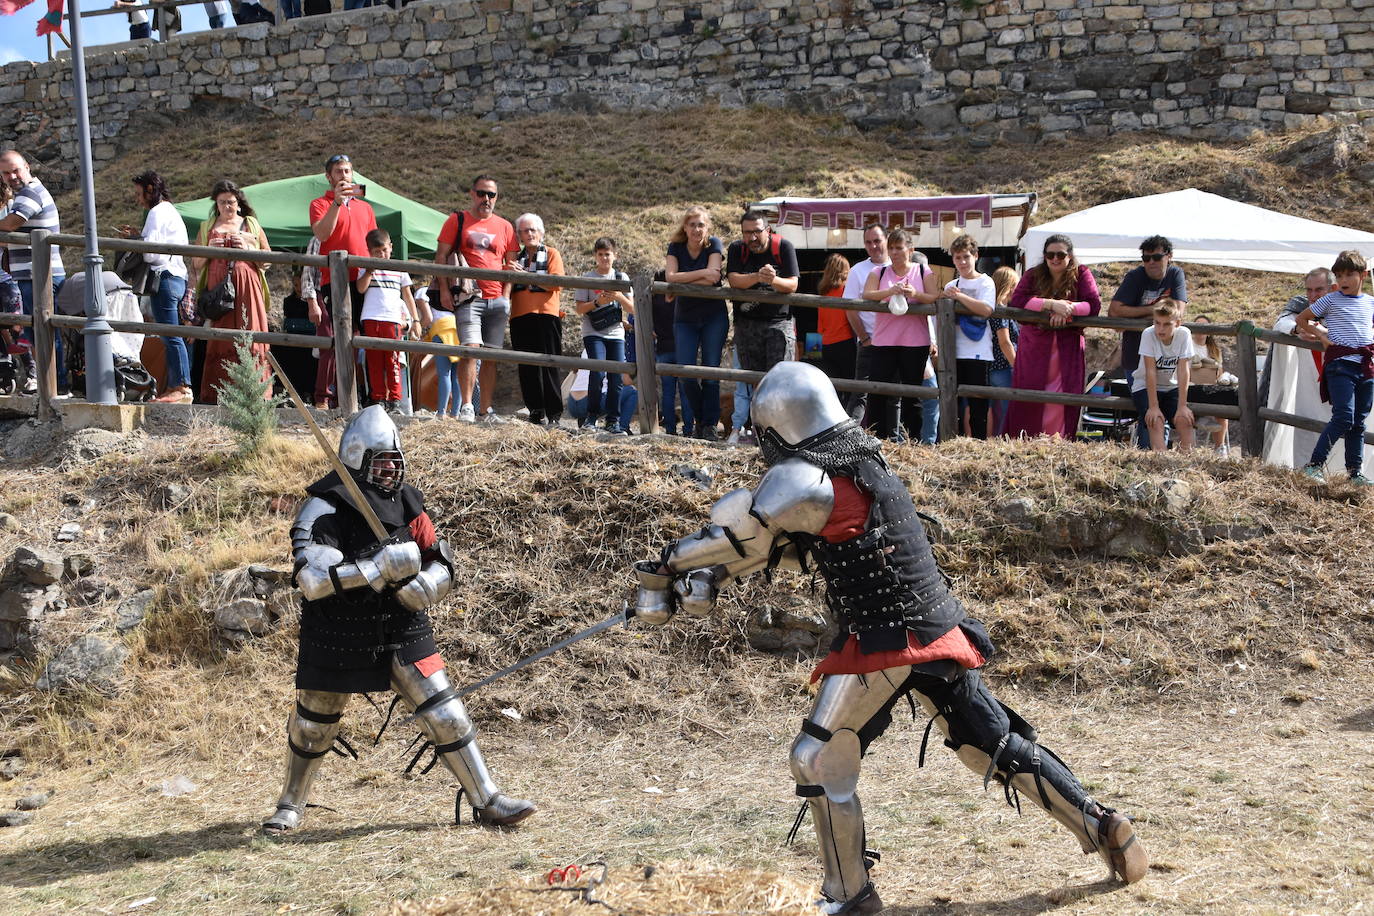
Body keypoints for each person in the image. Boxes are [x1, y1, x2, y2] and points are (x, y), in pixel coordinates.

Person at [632, 362, 1149, 915]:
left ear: (774, 426)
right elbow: (775, 549)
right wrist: (708, 577)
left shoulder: (800, 480)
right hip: (931, 625)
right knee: (989, 744)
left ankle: (848, 895)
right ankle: (1098, 823)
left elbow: (742, 536)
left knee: (817, 757)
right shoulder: (859, 461)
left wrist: (661, 569)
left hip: (886, 638)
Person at [263, 405, 536, 832]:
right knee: (313, 724)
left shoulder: (408, 502)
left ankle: (488, 800)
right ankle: (290, 804)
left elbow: (440, 558)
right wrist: (376, 568)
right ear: (357, 458)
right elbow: (312, 580)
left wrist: (426, 582)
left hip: (403, 626)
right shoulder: (323, 506)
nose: (391, 469)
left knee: (447, 715)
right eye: (382, 460)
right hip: (339, 629)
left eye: (395, 459)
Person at [433, 176, 517, 423]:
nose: (486, 199)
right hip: (469, 296)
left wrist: (506, 295)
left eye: (491, 194)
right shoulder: (457, 220)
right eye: (482, 193)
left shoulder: (505, 226)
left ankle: (485, 409)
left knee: (491, 356)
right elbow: (441, 256)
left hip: (497, 297)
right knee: (470, 350)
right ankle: (467, 405)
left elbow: (511, 264)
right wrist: (446, 290)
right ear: (472, 194)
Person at [1005, 234, 1101, 439]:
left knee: (1062, 398)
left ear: (1070, 256)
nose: (1055, 259)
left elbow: (1093, 305)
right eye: (1050, 255)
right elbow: (1018, 301)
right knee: (1030, 396)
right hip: (1035, 349)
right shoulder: (1033, 274)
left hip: (1068, 349)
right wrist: (1050, 304)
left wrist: (1067, 310)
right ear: (1044, 256)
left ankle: (1058, 441)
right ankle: (1025, 441)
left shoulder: (1081, 274)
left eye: (1060, 254)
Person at [191, 179, 273, 405]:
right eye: (222, 202)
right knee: (222, 335)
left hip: (248, 284)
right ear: (215, 204)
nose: (227, 206)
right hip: (218, 288)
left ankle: (256, 393)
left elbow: (268, 261)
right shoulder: (206, 227)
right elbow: (196, 264)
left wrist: (247, 247)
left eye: (231, 202)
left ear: (239, 203)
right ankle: (220, 392)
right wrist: (210, 250)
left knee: (251, 330)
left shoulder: (251, 224)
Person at [1297, 250, 1374, 485]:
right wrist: (1321, 334)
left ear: (1363, 275)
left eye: (1349, 275)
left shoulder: (1370, 302)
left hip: (1366, 366)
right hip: (1341, 365)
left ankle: (1355, 473)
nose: (1343, 281)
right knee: (1343, 416)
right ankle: (1314, 465)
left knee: (1359, 422)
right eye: (1339, 276)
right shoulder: (1331, 299)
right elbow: (1303, 319)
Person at [119, 170, 190, 404]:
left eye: (139, 193)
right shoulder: (169, 211)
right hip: (176, 277)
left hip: (165, 277)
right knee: (172, 334)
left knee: (171, 335)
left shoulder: (156, 213)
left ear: (150, 190)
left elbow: (150, 254)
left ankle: (181, 387)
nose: (137, 199)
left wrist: (137, 242)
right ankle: (177, 386)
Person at [861, 228, 938, 443]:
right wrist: (890, 292)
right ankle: (877, 439)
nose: (894, 252)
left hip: (915, 341)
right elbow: (867, 294)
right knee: (878, 391)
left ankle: (911, 440)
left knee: (912, 395)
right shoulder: (879, 272)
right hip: (884, 340)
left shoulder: (923, 271)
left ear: (910, 250)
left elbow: (934, 296)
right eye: (891, 248)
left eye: (899, 248)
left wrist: (915, 294)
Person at [0, 150, 67, 396]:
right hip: (32, 273)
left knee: (45, 331)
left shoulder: (29, 192)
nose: (12, 176)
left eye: (15, 170)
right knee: (38, 331)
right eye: (6, 173)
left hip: (39, 275)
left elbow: (10, 225)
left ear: (27, 167)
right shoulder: (24, 194)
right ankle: (48, 385)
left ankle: (56, 387)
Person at [665, 206, 727, 440]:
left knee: (710, 371)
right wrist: (701, 276)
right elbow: (670, 278)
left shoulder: (714, 245)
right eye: (692, 224)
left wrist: (681, 282)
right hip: (686, 318)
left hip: (714, 317)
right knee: (686, 372)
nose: (696, 229)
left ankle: (709, 425)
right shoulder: (676, 247)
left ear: (707, 227)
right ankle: (702, 419)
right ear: (685, 227)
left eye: (701, 224)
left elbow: (715, 277)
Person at [310, 153, 378, 345]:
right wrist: (337, 203)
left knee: (366, 336)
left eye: (347, 171)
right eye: (338, 171)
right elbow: (322, 235)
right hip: (335, 279)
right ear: (328, 177)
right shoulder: (318, 204)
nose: (344, 175)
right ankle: (344, 376)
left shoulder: (365, 208)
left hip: (365, 278)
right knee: (343, 338)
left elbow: (374, 244)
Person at [1108, 235, 1188, 394]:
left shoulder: (1175, 274)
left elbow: (1177, 311)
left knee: (1166, 411)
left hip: (1166, 360)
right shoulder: (1134, 276)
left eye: (1157, 257)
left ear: (1169, 256)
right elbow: (1114, 311)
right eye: (1146, 258)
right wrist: (1156, 311)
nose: (1151, 262)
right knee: (1144, 411)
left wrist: (1132, 314)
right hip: (1135, 358)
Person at [357, 229, 425, 413]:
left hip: (393, 319)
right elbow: (361, 288)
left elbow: (408, 295)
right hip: (371, 318)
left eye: (384, 250)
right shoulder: (364, 266)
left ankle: (395, 400)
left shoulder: (398, 268)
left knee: (393, 360)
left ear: (391, 248)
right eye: (377, 252)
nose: (381, 255)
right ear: (369, 251)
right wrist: (369, 271)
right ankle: (378, 399)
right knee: (374, 360)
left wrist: (415, 320)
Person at [507, 213, 566, 427]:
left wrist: (525, 275)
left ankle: (554, 413)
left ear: (541, 233)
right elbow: (507, 286)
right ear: (519, 235)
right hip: (520, 317)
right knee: (527, 366)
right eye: (525, 230)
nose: (529, 234)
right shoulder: (514, 259)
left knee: (550, 363)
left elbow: (556, 282)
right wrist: (511, 273)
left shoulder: (552, 253)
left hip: (546, 315)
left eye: (533, 229)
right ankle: (535, 410)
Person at [726, 210, 800, 376]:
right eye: (747, 232)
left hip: (779, 323)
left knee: (779, 380)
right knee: (754, 384)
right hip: (746, 324)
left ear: (767, 230)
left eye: (757, 231)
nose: (752, 238)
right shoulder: (737, 249)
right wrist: (758, 276)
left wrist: (773, 280)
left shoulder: (783, 247)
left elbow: (793, 285)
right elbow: (734, 280)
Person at [573, 237, 633, 431]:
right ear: (595, 256)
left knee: (615, 376)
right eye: (600, 254)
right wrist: (598, 302)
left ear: (615, 256)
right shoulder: (587, 278)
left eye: (607, 254)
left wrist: (618, 296)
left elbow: (632, 309)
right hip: (592, 331)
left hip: (615, 332)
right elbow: (580, 309)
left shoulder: (621, 278)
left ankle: (613, 420)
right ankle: (591, 417)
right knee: (597, 371)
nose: (604, 258)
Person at [942, 234, 996, 440]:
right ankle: (952, 443)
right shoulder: (950, 285)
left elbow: (986, 309)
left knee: (978, 407)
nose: (962, 262)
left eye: (966, 256)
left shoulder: (986, 282)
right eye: (957, 258)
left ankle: (979, 444)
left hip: (979, 353)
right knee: (952, 404)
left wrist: (959, 297)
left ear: (975, 256)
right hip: (953, 352)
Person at [842, 224, 891, 425]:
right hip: (870, 340)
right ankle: (851, 437)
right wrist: (864, 338)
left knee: (895, 393)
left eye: (877, 240)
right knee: (861, 392)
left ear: (887, 240)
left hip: (897, 341)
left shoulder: (899, 267)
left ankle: (891, 437)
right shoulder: (857, 271)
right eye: (868, 242)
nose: (873, 246)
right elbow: (849, 308)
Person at [1130, 300, 1195, 452]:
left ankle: (1189, 465)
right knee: (1156, 420)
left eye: (1166, 324)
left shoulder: (1184, 334)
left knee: (1184, 420)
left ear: (1177, 323)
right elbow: (1150, 371)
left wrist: (1183, 406)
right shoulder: (1148, 334)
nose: (1161, 329)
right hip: (1144, 386)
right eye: (1157, 323)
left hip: (1171, 387)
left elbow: (1183, 369)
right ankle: (1162, 461)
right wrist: (1153, 406)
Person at [1188, 314, 1232, 452]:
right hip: (1192, 387)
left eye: (1204, 326)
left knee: (1223, 407)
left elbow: (1219, 374)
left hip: (1210, 388)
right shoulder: (1187, 346)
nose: (1200, 330)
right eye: (1197, 326)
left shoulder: (1214, 350)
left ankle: (1220, 447)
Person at [816, 253, 857, 401]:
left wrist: (814, 353)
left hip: (826, 346)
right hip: (845, 343)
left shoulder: (823, 294)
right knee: (852, 387)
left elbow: (820, 327)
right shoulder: (847, 291)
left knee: (833, 388)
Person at [987, 266, 1020, 437]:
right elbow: (1005, 342)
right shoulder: (999, 310)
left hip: (991, 367)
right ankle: (1005, 440)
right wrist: (1017, 366)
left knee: (994, 410)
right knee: (1009, 410)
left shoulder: (991, 307)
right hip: (1002, 367)